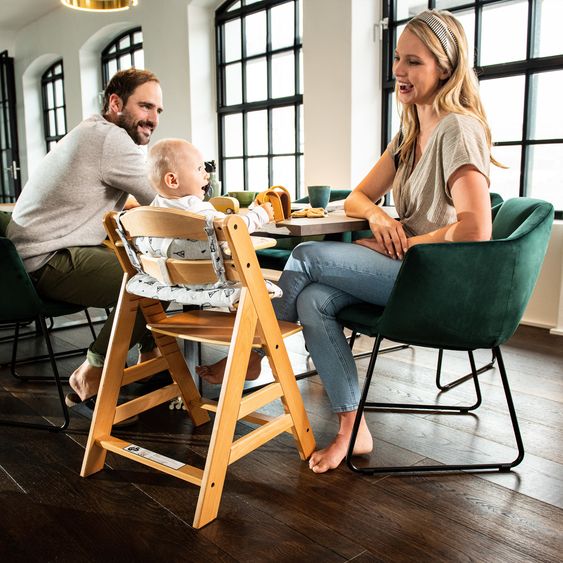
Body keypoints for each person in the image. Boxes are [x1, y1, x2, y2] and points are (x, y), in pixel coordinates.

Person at [273, 8, 499, 473]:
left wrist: (406, 245)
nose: (398, 70)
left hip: (436, 281)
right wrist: (379, 217)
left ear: (446, 67)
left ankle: (257, 347)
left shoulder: (457, 128)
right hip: (406, 270)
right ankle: (352, 428)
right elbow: (357, 197)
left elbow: (477, 228)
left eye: (413, 61)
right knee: (314, 299)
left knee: (306, 255)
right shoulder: (411, 132)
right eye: (398, 58)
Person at [7, 68, 164, 406]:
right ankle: (94, 368)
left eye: (157, 111)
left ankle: (151, 359)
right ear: (115, 102)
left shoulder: (92, 131)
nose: (152, 118)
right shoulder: (111, 139)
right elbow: (162, 201)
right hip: (44, 261)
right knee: (156, 278)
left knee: (142, 263)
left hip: (19, 264)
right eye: (145, 107)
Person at [145, 138, 275, 384]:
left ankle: (246, 353)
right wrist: (260, 213)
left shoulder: (152, 211)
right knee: (251, 287)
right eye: (199, 169)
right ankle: (249, 349)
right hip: (213, 286)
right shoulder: (199, 210)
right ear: (173, 180)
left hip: (173, 285)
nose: (206, 174)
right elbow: (235, 227)